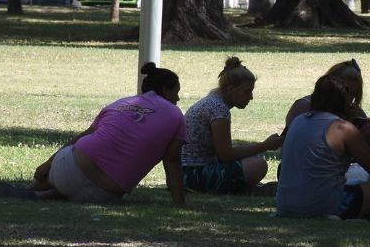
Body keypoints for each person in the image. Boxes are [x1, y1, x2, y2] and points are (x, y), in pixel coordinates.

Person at [28, 63, 187, 205]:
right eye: (176, 92)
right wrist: (180, 204)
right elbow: (172, 162)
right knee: (86, 191)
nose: (177, 98)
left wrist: (49, 163)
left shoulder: (121, 103)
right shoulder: (176, 115)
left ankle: (40, 187)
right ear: (166, 90)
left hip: (66, 166)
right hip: (102, 194)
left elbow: (84, 135)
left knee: (65, 179)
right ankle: (55, 192)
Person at [276, 75, 370, 218]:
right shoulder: (342, 129)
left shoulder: (298, 120)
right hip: (321, 207)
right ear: (345, 101)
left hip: (285, 206)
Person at [284, 59, 370, 181]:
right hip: (319, 177)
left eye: (353, 95)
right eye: (346, 92)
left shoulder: (353, 111)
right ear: (332, 87)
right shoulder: (304, 108)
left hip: (333, 175)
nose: (349, 100)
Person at [181, 57, 284, 194]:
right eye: (246, 92)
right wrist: (266, 145)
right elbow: (226, 154)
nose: (251, 97)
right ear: (230, 89)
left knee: (251, 163)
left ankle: (244, 188)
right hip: (192, 175)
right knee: (258, 165)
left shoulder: (212, 102)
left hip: (187, 171)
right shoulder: (218, 109)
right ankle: (244, 189)